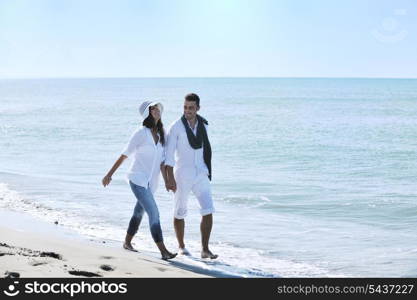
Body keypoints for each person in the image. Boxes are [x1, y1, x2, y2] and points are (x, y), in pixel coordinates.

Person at [102, 100, 177, 260]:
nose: (157, 111)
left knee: (138, 212)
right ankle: (163, 251)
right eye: (153, 109)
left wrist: (167, 181)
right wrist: (109, 174)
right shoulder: (140, 133)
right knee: (154, 212)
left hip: (151, 184)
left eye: (158, 108)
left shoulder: (162, 132)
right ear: (147, 113)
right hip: (137, 180)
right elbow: (124, 154)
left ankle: (127, 242)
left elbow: (162, 163)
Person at [165, 93, 218, 259]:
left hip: (201, 173)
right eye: (185, 107)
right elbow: (168, 155)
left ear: (198, 108)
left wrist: (207, 170)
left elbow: (205, 149)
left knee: (208, 209)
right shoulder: (176, 127)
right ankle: (181, 246)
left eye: (191, 108)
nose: (187, 110)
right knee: (180, 211)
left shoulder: (204, 125)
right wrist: (169, 178)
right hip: (182, 175)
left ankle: (205, 249)